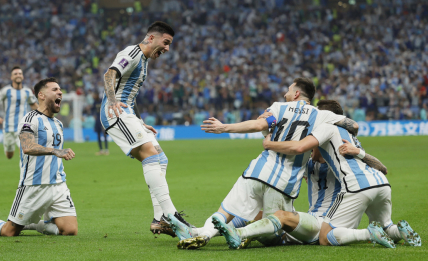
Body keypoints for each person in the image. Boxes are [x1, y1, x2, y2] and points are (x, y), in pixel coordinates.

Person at [170, 78, 359, 249]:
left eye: (288, 89)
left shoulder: (278, 107)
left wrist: (224, 127)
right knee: (274, 232)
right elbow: (353, 125)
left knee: (227, 210)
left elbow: (258, 125)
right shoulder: (320, 116)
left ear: (296, 94)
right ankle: (232, 235)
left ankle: (203, 233)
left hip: (258, 171)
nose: (285, 93)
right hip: (283, 183)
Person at [212, 101, 399, 249]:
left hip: (323, 222)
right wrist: (266, 127)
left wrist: (268, 144)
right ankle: (210, 231)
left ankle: (241, 234)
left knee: (281, 216)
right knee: (260, 212)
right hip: (313, 218)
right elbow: (292, 156)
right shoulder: (322, 155)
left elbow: (298, 147)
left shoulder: (332, 149)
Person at [257, 100, 421, 248]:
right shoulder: (348, 136)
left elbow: (300, 147)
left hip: (356, 186)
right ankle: (399, 233)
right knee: (386, 226)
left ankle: (368, 234)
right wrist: (359, 152)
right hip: (381, 183)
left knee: (325, 236)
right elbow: (383, 168)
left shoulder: (325, 130)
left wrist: (269, 138)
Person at [0, 78, 78, 237]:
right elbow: (27, 147)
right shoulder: (30, 119)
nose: (60, 92)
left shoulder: (59, 124)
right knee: (9, 232)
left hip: (58, 185)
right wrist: (55, 151)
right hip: (34, 185)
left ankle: (31, 223)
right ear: (41, 95)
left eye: (60, 89)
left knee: (70, 231)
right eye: (54, 89)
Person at [100, 21, 184, 237]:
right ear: (150, 38)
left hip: (127, 113)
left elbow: (130, 94)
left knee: (161, 159)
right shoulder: (133, 52)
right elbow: (109, 75)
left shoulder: (144, 60)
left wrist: (138, 120)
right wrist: (112, 102)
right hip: (115, 112)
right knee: (151, 157)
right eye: (165, 43)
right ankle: (171, 215)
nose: (167, 49)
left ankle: (160, 219)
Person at [0, 66, 38, 159]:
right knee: (9, 155)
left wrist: (45, 113)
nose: (18, 75)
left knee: (26, 151)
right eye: (15, 74)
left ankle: (27, 171)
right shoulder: (5, 91)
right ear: (11, 77)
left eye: (20, 73)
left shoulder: (27, 91)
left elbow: (34, 105)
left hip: (23, 127)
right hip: (8, 128)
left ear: (23, 76)